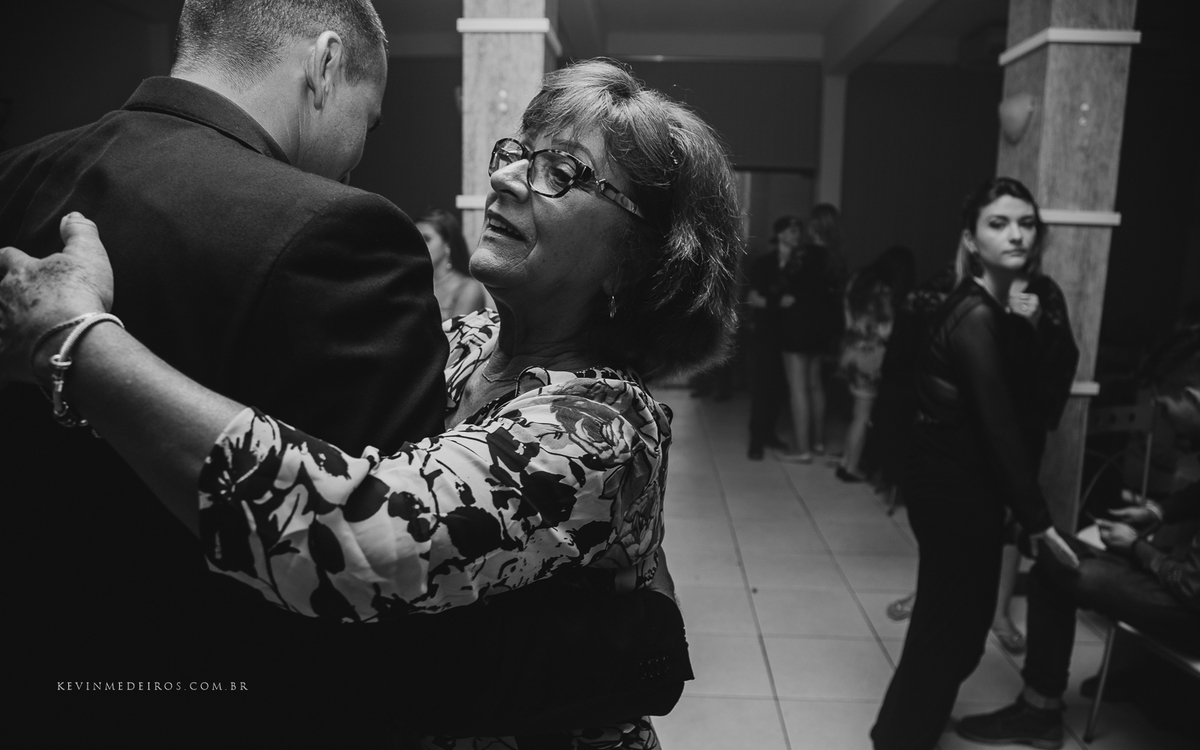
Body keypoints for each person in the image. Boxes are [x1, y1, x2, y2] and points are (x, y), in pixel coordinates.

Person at [0, 58, 743, 749]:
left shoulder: (601, 422)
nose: (512, 179)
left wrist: (76, 342)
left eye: (563, 172)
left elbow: (356, 542)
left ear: (639, 261)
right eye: (517, 153)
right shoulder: (466, 338)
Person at [0, 0, 445, 742]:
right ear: (326, 64)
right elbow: (376, 564)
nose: (358, 154)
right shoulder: (343, 232)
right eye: (368, 122)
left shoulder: (17, 173)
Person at [870, 177, 1081, 750]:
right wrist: (1038, 522)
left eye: (1026, 223)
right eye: (998, 223)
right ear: (971, 239)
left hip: (973, 486)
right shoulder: (974, 315)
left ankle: (910, 730)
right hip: (951, 490)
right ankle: (895, 739)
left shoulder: (1003, 310)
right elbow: (1000, 427)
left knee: (961, 635)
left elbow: (1028, 399)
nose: (1016, 233)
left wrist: (1031, 328)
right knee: (947, 633)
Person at [956, 337, 1200, 750]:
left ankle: (1039, 710)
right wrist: (1157, 513)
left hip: (1192, 607)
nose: (1160, 415)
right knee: (1059, 553)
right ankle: (1043, 706)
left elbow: (1194, 589)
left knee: (1059, 565)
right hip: (1184, 587)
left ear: (1193, 397)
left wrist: (1137, 549)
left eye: (1164, 405)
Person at [835, 245, 915, 482]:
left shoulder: (857, 279)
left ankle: (845, 460)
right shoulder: (886, 291)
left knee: (856, 410)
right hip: (870, 356)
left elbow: (848, 318)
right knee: (863, 415)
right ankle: (850, 469)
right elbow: (885, 330)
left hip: (849, 350)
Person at [778, 203, 843, 461]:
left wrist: (785, 260)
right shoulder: (837, 258)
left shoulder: (802, 253)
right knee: (816, 385)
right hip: (822, 327)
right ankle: (817, 443)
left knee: (798, 388)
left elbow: (783, 282)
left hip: (798, 324)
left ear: (814, 226)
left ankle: (802, 450)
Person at [746, 217, 802, 459]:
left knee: (781, 387)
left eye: (798, 230)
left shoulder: (801, 264)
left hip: (791, 334)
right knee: (763, 387)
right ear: (780, 234)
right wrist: (776, 303)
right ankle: (756, 439)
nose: (797, 234)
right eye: (792, 230)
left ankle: (769, 433)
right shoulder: (763, 264)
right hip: (766, 333)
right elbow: (752, 299)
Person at [417, 208, 492, 320]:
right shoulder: (411, 284)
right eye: (416, 239)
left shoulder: (467, 288)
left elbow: (454, 335)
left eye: (426, 239)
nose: (419, 245)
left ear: (447, 244)